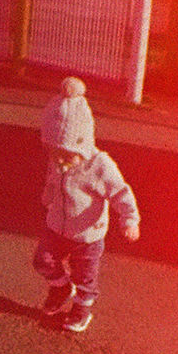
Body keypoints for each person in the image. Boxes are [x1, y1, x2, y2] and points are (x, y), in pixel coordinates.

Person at [33, 76, 140, 333]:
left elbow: (121, 192)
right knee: (43, 260)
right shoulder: (58, 160)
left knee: (85, 276)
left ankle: (82, 307)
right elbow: (52, 181)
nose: (59, 159)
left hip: (88, 235)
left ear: (81, 143)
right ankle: (61, 288)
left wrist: (130, 220)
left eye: (66, 152)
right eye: (54, 151)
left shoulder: (100, 165)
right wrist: (47, 198)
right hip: (57, 226)